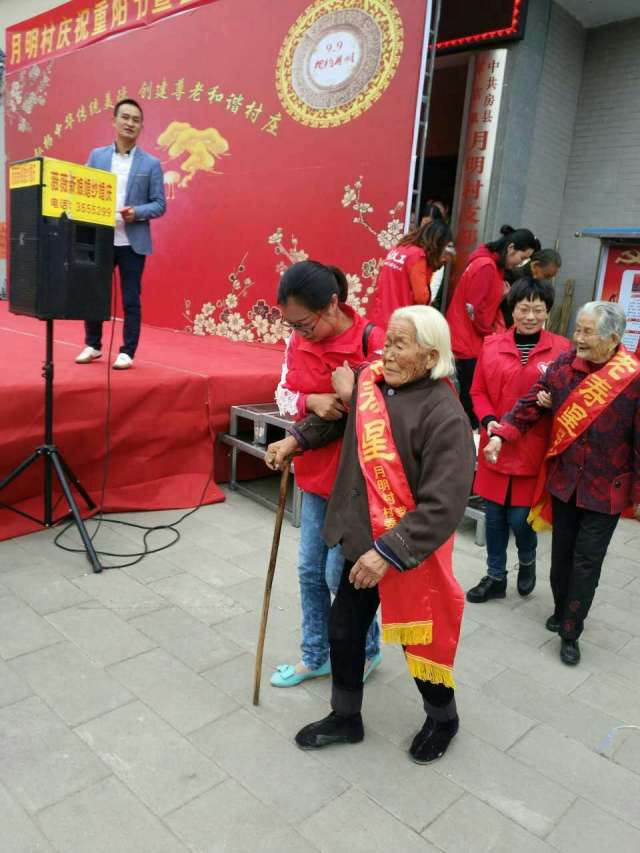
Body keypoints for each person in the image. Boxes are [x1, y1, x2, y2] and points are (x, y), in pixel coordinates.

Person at [267, 306, 474, 762]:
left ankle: (443, 719)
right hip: (362, 538)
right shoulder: (372, 383)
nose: (387, 353)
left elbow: (444, 504)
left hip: (406, 552)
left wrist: (388, 552)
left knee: (421, 640)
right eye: (388, 343)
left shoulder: (445, 416)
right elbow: (335, 419)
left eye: (400, 345)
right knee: (344, 630)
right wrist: (295, 439)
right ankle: (346, 717)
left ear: (430, 356)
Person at [485, 301, 640, 665]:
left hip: (606, 490)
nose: (578, 338)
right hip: (566, 482)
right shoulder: (564, 365)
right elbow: (530, 404)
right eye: (577, 330)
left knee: (587, 561)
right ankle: (559, 610)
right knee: (561, 557)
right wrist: (502, 435)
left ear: (613, 339)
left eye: (587, 332)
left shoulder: (632, 378)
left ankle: (571, 630)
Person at [270, 260, 383, 688]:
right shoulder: (296, 341)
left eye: (305, 324)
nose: (299, 333)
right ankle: (315, 655)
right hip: (315, 476)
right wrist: (310, 402)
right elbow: (284, 393)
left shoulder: (373, 341)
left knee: (342, 575)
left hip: (358, 486)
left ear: (332, 304)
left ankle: (367, 649)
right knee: (309, 572)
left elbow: (391, 412)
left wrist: (349, 396)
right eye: (292, 325)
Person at [466, 278, 571, 603]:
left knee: (521, 519)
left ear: (547, 312)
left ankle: (527, 560)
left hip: (533, 447)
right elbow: (477, 391)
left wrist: (556, 402)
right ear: (512, 309)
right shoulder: (491, 344)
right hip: (495, 444)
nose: (530, 316)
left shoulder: (562, 350)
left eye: (538, 310)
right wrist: (488, 421)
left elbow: (573, 395)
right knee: (494, 517)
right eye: (524, 309)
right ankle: (495, 576)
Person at [76, 98, 166, 370]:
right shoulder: (97, 157)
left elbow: (159, 204)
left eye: (135, 120)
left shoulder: (151, 164)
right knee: (94, 294)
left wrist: (136, 212)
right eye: (125, 117)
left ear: (141, 127)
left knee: (130, 299)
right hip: (101, 239)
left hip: (132, 243)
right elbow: (83, 190)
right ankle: (93, 345)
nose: (130, 123)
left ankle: (127, 351)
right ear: (114, 121)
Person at [446, 225, 539, 427]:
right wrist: (490, 333)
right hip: (468, 341)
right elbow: (473, 310)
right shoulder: (486, 266)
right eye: (522, 257)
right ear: (511, 248)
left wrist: (502, 296)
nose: (520, 263)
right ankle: (469, 433)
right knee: (470, 395)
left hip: (469, 337)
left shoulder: (491, 265)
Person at [371, 218, 452, 329]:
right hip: (400, 325)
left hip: (380, 319)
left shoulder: (400, 248)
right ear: (437, 244)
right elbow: (421, 298)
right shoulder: (417, 256)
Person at [502, 248, 562, 327]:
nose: (547, 280)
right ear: (534, 265)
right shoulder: (511, 277)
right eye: (546, 276)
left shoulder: (541, 286)